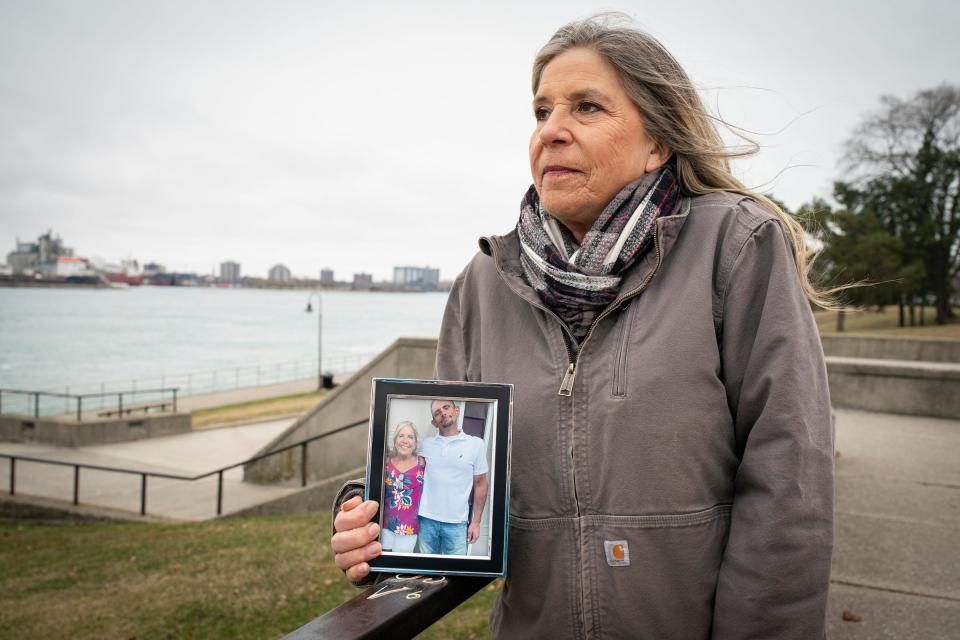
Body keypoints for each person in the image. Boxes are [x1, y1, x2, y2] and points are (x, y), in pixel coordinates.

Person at [333, 14, 834, 639]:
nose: (551, 132)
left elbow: (789, 487)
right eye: (541, 112)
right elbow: (457, 466)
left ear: (658, 139)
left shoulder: (736, 245)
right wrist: (371, 515)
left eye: (586, 107)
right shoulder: (483, 283)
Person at [415, 399, 489, 555]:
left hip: (457, 524)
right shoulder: (426, 445)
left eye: (446, 407)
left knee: (455, 576)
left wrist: (476, 522)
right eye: (437, 412)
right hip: (426, 520)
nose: (442, 412)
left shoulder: (476, 445)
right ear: (434, 422)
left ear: (456, 411)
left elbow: (481, 484)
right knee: (426, 575)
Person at [380, 421, 425, 553]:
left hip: (409, 528)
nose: (405, 440)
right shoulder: (386, 463)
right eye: (401, 436)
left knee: (399, 564)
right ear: (395, 440)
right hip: (385, 525)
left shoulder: (423, 464)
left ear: (415, 443)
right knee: (384, 560)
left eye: (410, 437)